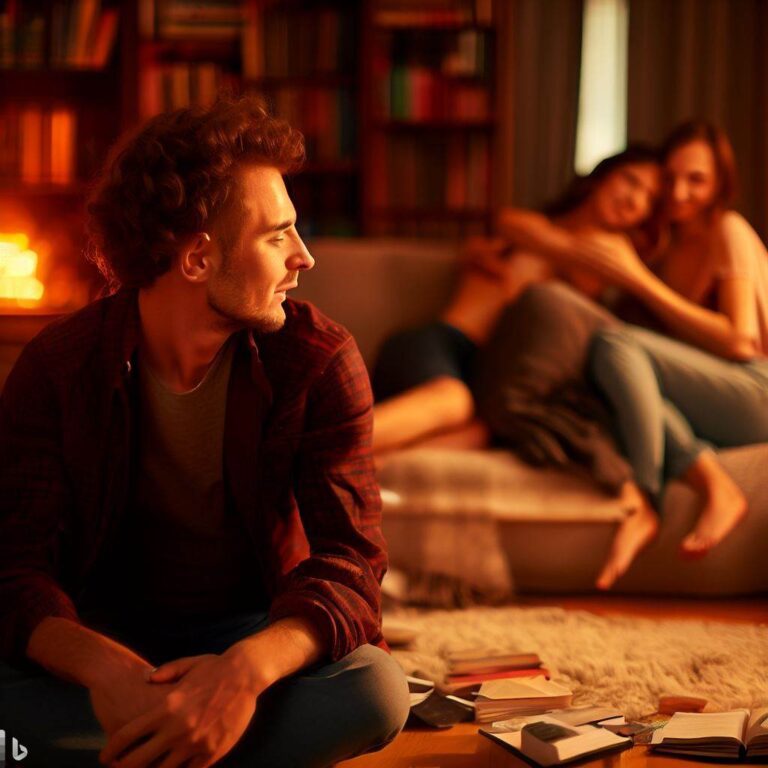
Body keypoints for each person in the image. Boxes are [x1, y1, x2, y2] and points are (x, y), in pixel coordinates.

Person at [0, 96, 409, 768]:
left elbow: (352, 566)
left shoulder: (318, 361)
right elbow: (14, 569)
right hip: (101, 636)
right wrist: (105, 673)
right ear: (196, 259)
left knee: (374, 692)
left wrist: (241, 676)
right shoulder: (58, 367)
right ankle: (183, 740)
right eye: (277, 235)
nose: (303, 257)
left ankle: (143, 749)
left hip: (250, 630)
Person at [371, 146, 661, 459]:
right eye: (631, 181)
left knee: (477, 434)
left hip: (480, 378)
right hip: (439, 343)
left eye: (649, 198)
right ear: (600, 178)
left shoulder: (600, 283)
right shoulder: (529, 228)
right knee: (453, 400)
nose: (635, 200)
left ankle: (361, 469)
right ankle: (317, 447)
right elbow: (507, 221)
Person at [580, 122, 768, 587]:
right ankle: (715, 484)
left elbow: (741, 342)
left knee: (615, 343)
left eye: (697, 180)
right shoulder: (667, 246)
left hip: (757, 390)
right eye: (672, 178)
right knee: (624, 379)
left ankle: (645, 498)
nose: (680, 192)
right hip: (714, 399)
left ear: (720, 184)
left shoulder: (727, 229)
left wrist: (642, 282)